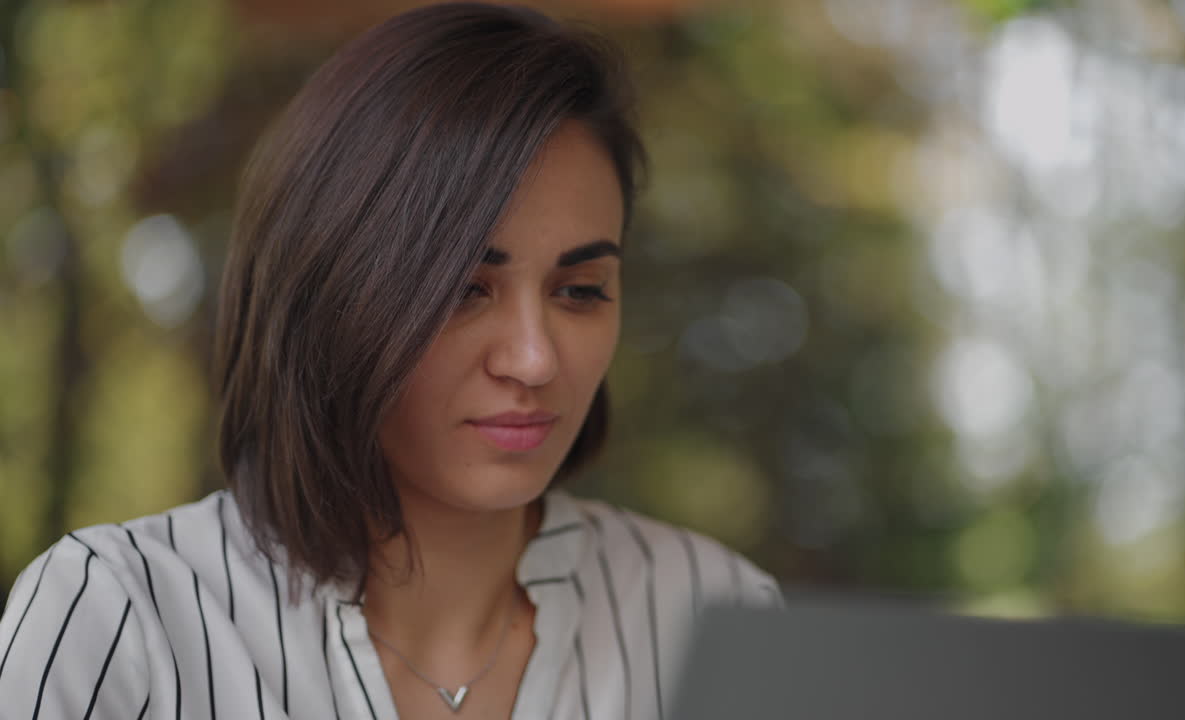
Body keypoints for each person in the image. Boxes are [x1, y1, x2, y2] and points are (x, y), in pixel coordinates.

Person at [0, 3, 781, 719]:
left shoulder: (719, 615)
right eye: (464, 289)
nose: (535, 360)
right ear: (333, 290)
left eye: (578, 291)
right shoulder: (119, 617)